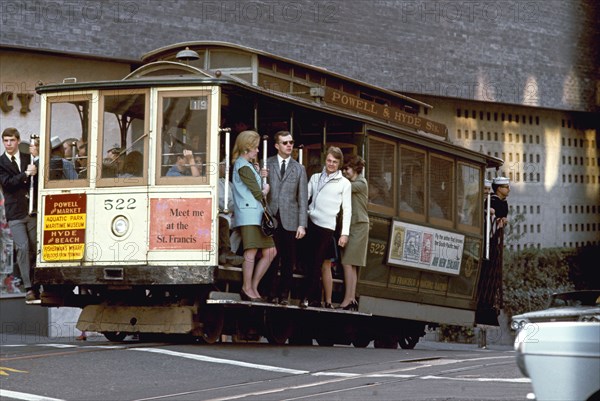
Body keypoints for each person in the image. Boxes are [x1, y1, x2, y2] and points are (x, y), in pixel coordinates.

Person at [301, 146, 351, 309]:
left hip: (327, 227)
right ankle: (312, 298)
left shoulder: (344, 183)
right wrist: (305, 215)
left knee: (317, 263)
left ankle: (309, 298)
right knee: (309, 262)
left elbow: (347, 210)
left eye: (335, 162)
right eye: (329, 160)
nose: (331, 164)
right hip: (311, 223)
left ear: (339, 164)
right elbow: (306, 197)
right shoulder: (315, 177)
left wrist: (344, 234)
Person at [231, 130, 277, 302]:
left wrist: (259, 174)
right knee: (251, 251)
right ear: (246, 148)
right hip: (249, 213)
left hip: (256, 213)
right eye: (255, 148)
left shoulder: (247, 165)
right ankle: (247, 287)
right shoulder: (242, 166)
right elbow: (257, 192)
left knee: (271, 251)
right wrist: (266, 189)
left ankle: (253, 285)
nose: (258, 151)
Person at [265, 131, 308, 305]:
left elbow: (303, 199)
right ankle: (270, 293)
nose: (289, 145)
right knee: (271, 257)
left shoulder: (299, 168)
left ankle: (284, 295)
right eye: (285, 143)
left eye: (291, 142)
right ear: (277, 145)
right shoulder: (266, 164)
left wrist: (302, 225)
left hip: (291, 218)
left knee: (289, 259)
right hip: (271, 216)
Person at [0, 128, 39, 302]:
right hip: (15, 213)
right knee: (22, 248)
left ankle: (38, 285)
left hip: (31, 210)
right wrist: (26, 174)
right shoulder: (0, 162)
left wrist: (36, 159)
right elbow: (8, 184)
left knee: (34, 249)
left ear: (18, 141)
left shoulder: (27, 158)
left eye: (11, 140)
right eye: (5, 141)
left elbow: (37, 181)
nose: (8, 144)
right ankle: (29, 287)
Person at [338, 154, 368, 310]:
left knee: (348, 262)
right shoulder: (355, 182)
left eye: (347, 169)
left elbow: (344, 187)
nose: (344, 172)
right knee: (351, 263)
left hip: (358, 225)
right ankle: (350, 298)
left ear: (355, 168)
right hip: (353, 225)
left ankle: (348, 299)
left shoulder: (360, 183)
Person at [218, 158, 244, 266]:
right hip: (220, 214)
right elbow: (220, 203)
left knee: (243, 224)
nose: (227, 168)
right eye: (225, 165)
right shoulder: (215, 181)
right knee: (224, 221)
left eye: (229, 166)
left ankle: (230, 253)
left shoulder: (230, 184)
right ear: (218, 165)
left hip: (231, 214)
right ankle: (226, 253)